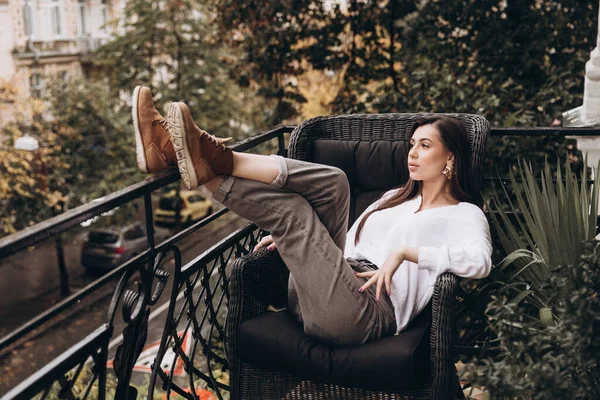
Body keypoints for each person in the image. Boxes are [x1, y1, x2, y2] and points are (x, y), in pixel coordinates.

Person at [132, 85, 492, 346]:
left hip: (364, 315)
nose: (412, 153)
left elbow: (479, 263)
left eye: (425, 146)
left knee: (292, 213)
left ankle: (195, 163)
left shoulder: (464, 214)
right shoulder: (392, 198)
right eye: (411, 144)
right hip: (328, 285)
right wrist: (305, 250)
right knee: (334, 182)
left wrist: (405, 254)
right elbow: (347, 242)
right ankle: (208, 161)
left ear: (450, 159)